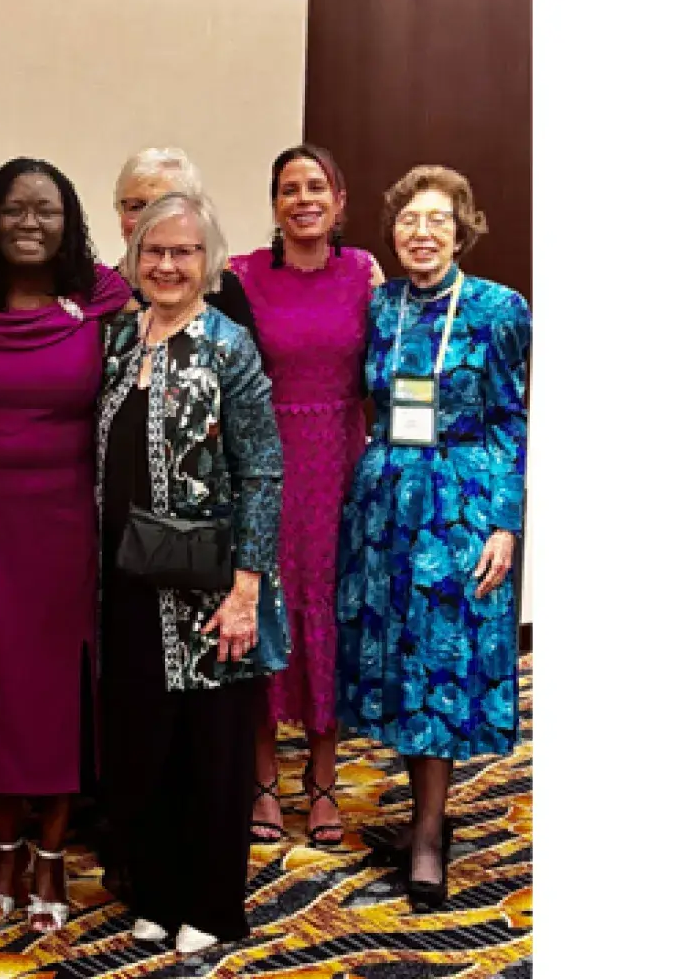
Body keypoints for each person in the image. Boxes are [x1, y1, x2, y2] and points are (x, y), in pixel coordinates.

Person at [0, 157, 135, 933]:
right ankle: (3, 843)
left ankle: (48, 851)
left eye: (46, 210)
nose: (30, 224)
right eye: (13, 209)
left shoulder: (105, 300)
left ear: (69, 219)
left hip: (68, 527)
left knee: (56, 689)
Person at [97, 191, 285, 956]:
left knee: (210, 749)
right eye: (154, 251)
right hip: (129, 585)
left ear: (207, 262)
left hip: (209, 588)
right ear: (134, 259)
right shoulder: (116, 339)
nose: (168, 265)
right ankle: (156, 889)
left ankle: (210, 902)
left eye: (184, 252)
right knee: (144, 743)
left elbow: (264, 470)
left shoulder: (230, 345)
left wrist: (248, 587)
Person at [338, 165, 530, 911]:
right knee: (399, 664)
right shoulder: (380, 306)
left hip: (462, 503)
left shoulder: (498, 309)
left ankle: (427, 832)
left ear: (463, 229)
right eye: (410, 220)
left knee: (443, 669)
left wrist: (507, 522)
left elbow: (513, 420)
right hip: (386, 504)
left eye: (438, 221)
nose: (422, 234)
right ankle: (418, 813)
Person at [230, 144, 384, 849]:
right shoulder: (243, 277)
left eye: (316, 186)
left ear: (339, 199)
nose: (302, 199)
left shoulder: (363, 275)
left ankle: (323, 782)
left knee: (329, 615)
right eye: (288, 189)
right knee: (264, 610)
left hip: (340, 468)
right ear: (274, 204)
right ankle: (263, 779)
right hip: (264, 465)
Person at [112, 147, 257, 346]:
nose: (148, 219)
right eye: (136, 206)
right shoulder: (103, 291)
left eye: (163, 206)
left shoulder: (220, 288)